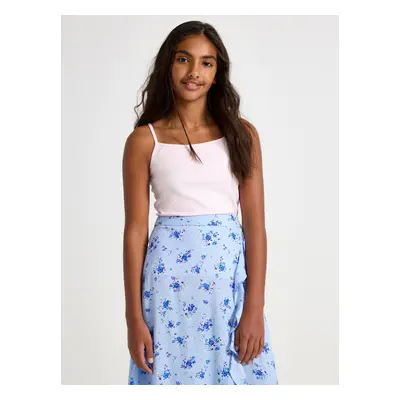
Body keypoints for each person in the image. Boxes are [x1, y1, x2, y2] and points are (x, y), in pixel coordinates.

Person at [122, 20, 278, 385]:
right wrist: (134, 318)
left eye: (207, 63)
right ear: (168, 64)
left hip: (227, 288)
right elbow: (134, 232)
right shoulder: (144, 141)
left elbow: (255, 225)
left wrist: (255, 306)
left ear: (218, 72)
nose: (194, 72)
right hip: (167, 289)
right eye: (184, 59)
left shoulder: (242, 135)